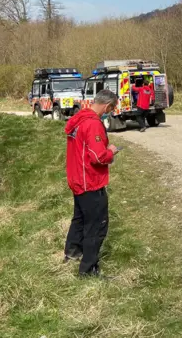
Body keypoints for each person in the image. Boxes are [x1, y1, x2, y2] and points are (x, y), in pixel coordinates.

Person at [64, 89, 119, 277]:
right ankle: (88, 270)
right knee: (96, 225)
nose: (110, 112)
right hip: (90, 181)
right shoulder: (93, 124)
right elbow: (97, 156)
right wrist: (111, 151)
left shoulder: (79, 118)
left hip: (77, 178)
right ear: (107, 105)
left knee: (79, 218)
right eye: (112, 109)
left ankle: (72, 253)